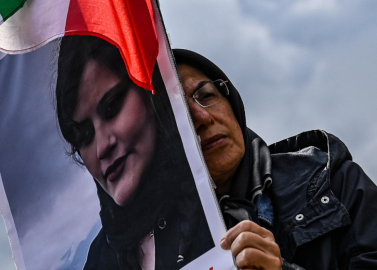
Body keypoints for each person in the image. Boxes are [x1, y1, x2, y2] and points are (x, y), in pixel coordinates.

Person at [173, 48, 377, 270]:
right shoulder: (150, 248)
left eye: (207, 95)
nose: (202, 117)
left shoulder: (333, 183)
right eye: (177, 113)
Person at [55, 36, 214, 270]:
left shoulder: (221, 185)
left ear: (151, 90)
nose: (102, 147)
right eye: (84, 135)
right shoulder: (100, 260)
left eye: (112, 107)